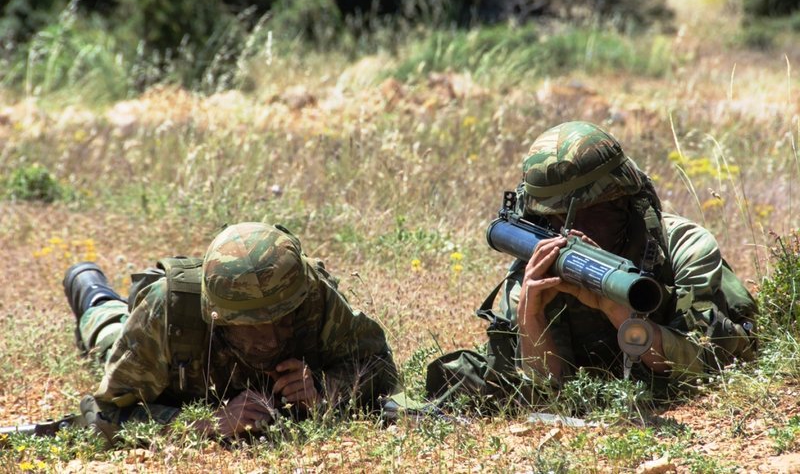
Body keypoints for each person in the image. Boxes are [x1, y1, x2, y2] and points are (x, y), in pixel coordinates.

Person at [426, 121, 757, 405]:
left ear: (626, 203)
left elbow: (709, 364)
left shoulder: (683, 247)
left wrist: (620, 314)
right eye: (554, 219)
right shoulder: (540, 268)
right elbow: (547, 394)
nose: (571, 232)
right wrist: (531, 318)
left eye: (593, 213)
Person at [64, 222, 398, 441]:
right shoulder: (169, 310)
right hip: (156, 336)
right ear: (216, 316)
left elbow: (379, 366)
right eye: (250, 325)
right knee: (110, 334)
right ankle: (91, 289)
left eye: (282, 318)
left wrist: (325, 390)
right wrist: (206, 424)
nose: (269, 338)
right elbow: (106, 415)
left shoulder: (311, 294)